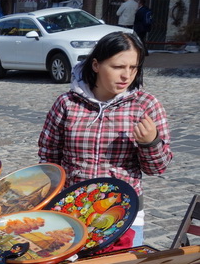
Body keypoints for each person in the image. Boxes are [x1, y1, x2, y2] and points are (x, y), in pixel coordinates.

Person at [38, 31, 172, 246]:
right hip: (73, 209)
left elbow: (158, 168)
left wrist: (150, 142)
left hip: (124, 209)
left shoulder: (146, 105)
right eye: (118, 67)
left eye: (133, 67)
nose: (126, 76)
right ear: (96, 65)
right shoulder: (67, 104)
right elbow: (49, 159)